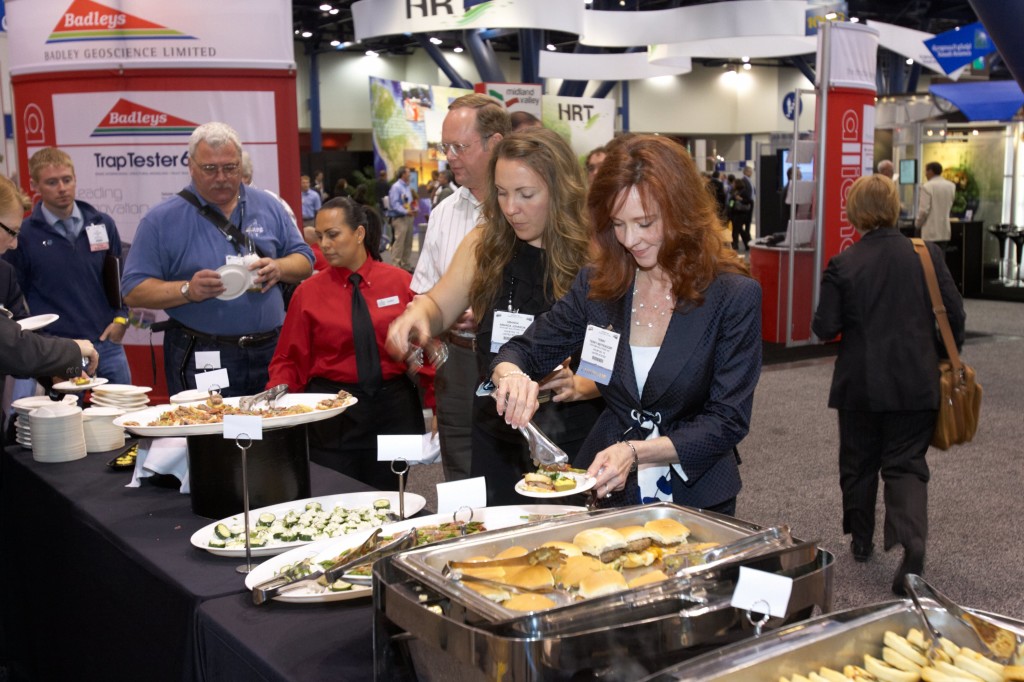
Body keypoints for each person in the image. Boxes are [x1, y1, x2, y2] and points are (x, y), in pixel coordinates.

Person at [488, 134, 761, 513]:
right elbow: (522, 350)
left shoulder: (732, 296)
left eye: (645, 223)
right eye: (618, 224)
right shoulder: (599, 286)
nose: (631, 240)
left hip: (696, 494)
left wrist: (636, 452)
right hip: (609, 489)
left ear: (682, 212)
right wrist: (511, 375)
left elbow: (726, 420)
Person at [387, 128, 603, 505]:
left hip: (571, 433)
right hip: (497, 428)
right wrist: (418, 315)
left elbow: (622, 351)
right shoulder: (484, 244)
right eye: (501, 193)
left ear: (561, 189)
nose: (510, 207)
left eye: (526, 194)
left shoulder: (595, 254)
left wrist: (584, 384)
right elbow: (439, 305)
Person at [812, 174, 964, 596]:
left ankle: (861, 541)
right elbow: (955, 314)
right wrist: (938, 356)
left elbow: (824, 327)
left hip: (859, 385)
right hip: (917, 382)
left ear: (854, 213)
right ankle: (912, 540)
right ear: (895, 208)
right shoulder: (927, 254)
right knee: (906, 464)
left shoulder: (844, 264)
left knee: (858, 463)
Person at [122, 122, 314, 397]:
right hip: (202, 354)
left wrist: (279, 267)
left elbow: (305, 260)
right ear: (191, 166)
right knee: (214, 435)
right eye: (210, 169)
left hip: (271, 351)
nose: (221, 177)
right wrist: (188, 290)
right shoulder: (161, 220)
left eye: (230, 167)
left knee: (271, 434)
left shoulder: (269, 205)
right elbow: (132, 290)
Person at [268, 197, 428, 490]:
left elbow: (427, 349)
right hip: (335, 414)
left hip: (392, 411)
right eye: (319, 236)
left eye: (333, 234)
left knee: (392, 499)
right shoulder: (308, 293)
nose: (324, 245)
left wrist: (437, 407)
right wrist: (278, 401)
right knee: (339, 500)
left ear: (359, 233)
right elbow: (289, 359)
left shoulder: (400, 283)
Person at [410, 93, 511, 482]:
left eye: (459, 147)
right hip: (458, 359)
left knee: (514, 466)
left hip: (516, 360)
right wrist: (432, 324)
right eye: (444, 146)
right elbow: (423, 292)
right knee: (459, 467)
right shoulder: (443, 215)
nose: (449, 156)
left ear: (495, 143)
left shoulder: (527, 213)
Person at [4, 147, 132, 385]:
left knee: (123, 416)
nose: (62, 188)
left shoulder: (102, 223)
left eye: (67, 180)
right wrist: (41, 345)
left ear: (75, 179)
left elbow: (120, 277)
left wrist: (121, 319)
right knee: (65, 419)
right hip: (58, 349)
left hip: (106, 344)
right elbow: (13, 296)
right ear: (35, 185)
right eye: (52, 182)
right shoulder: (23, 234)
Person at [0, 174, 98, 382]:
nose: (14, 245)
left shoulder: (4, 273)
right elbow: (9, 344)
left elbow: (22, 332)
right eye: (12, 232)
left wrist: (58, 369)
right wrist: (70, 351)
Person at [915, 161, 956, 246]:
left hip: (930, 233)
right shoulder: (951, 186)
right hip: (945, 232)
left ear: (930, 171)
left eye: (925, 171)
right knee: (941, 257)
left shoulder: (927, 186)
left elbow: (924, 210)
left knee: (929, 258)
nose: (925, 174)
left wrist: (917, 224)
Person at [386, 167, 415, 271]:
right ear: (403, 174)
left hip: (408, 217)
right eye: (408, 173)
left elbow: (407, 202)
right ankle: (396, 266)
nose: (410, 174)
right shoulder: (396, 187)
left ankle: (405, 264)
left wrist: (412, 209)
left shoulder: (406, 187)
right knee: (399, 242)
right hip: (400, 218)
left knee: (408, 242)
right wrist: (406, 211)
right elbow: (394, 204)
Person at [729, 177, 753, 252]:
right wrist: (730, 207)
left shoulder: (744, 192)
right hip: (735, 213)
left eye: (734, 183)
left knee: (737, 230)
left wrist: (741, 199)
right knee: (738, 230)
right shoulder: (735, 192)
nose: (733, 184)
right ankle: (747, 244)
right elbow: (731, 202)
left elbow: (749, 201)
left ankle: (736, 245)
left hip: (741, 214)